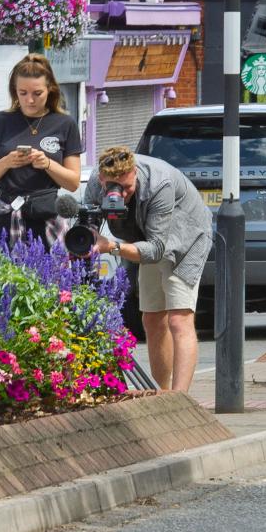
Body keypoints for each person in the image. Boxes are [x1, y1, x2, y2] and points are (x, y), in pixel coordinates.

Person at [84, 146, 212, 392]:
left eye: (128, 187)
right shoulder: (95, 183)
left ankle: (178, 400)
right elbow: (89, 222)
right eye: (114, 187)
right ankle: (162, 393)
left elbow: (156, 250)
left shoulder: (159, 183)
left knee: (178, 319)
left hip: (185, 237)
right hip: (144, 237)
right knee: (152, 318)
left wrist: (111, 247)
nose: (122, 194)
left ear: (134, 172)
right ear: (102, 179)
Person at [0, 53, 82, 252]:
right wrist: (7, 162)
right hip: (5, 215)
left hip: (46, 215)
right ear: (14, 91)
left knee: (52, 280)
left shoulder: (65, 123)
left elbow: (73, 182)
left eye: (37, 93)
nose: (30, 100)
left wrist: (47, 164)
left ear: (50, 90)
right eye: (22, 93)